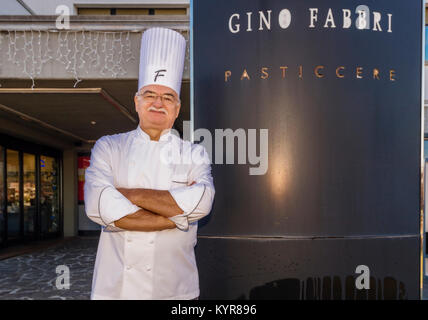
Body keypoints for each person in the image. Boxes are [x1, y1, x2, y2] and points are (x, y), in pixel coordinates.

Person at [84, 27, 215, 300]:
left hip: (176, 291)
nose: (158, 103)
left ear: (177, 109)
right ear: (136, 102)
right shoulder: (109, 146)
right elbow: (98, 206)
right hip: (116, 290)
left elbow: (202, 202)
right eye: (150, 95)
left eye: (168, 97)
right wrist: (178, 218)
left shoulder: (194, 153)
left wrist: (124, 196)